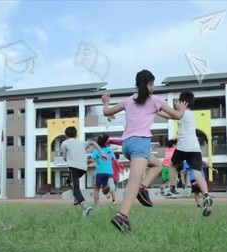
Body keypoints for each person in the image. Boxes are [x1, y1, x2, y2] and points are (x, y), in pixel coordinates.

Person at [102, 69, 186, 231]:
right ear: (149, 84)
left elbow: (107, 112)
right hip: (140, 143)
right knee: (134, 181)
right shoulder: (155, 100)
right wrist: (181, 108)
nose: (154, 87)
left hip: (126, 144)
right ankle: (122, 216)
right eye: (153, 84)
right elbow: (177, 116)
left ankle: (143, 187)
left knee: (157, 165)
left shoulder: (128, 100)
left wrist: (106, 101)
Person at [163, 91, 214, 217]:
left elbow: (169, 115)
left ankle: (173, 189)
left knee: (172, 165)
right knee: (197, 172)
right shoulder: (191, 114)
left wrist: (155, 110)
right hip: (195, 148)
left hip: (183, 147)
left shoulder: (182, 113)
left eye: (179, 101)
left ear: (183, 102)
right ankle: (206, 195)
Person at [60, 126, 106, 216]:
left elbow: (65, 157)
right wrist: (102, 153)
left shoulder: (64, 143)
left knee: (75, 187)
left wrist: (67, 157)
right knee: (70, 182)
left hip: (73, 168)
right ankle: (77, 199)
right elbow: (93, 142)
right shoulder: (81, 143)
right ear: (76, 135)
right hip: (83, 168)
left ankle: (85, 206)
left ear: (66, 135)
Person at [88, 133, 118, 208]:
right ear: (106, 142)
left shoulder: (97, 151)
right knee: (104, 191)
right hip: (109, 172)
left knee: (96, 189)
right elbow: (115, 159)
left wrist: (88, 160)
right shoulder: (110, 150)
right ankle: (108, 186)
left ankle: (97, 206)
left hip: (100, 172)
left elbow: (92, 158)